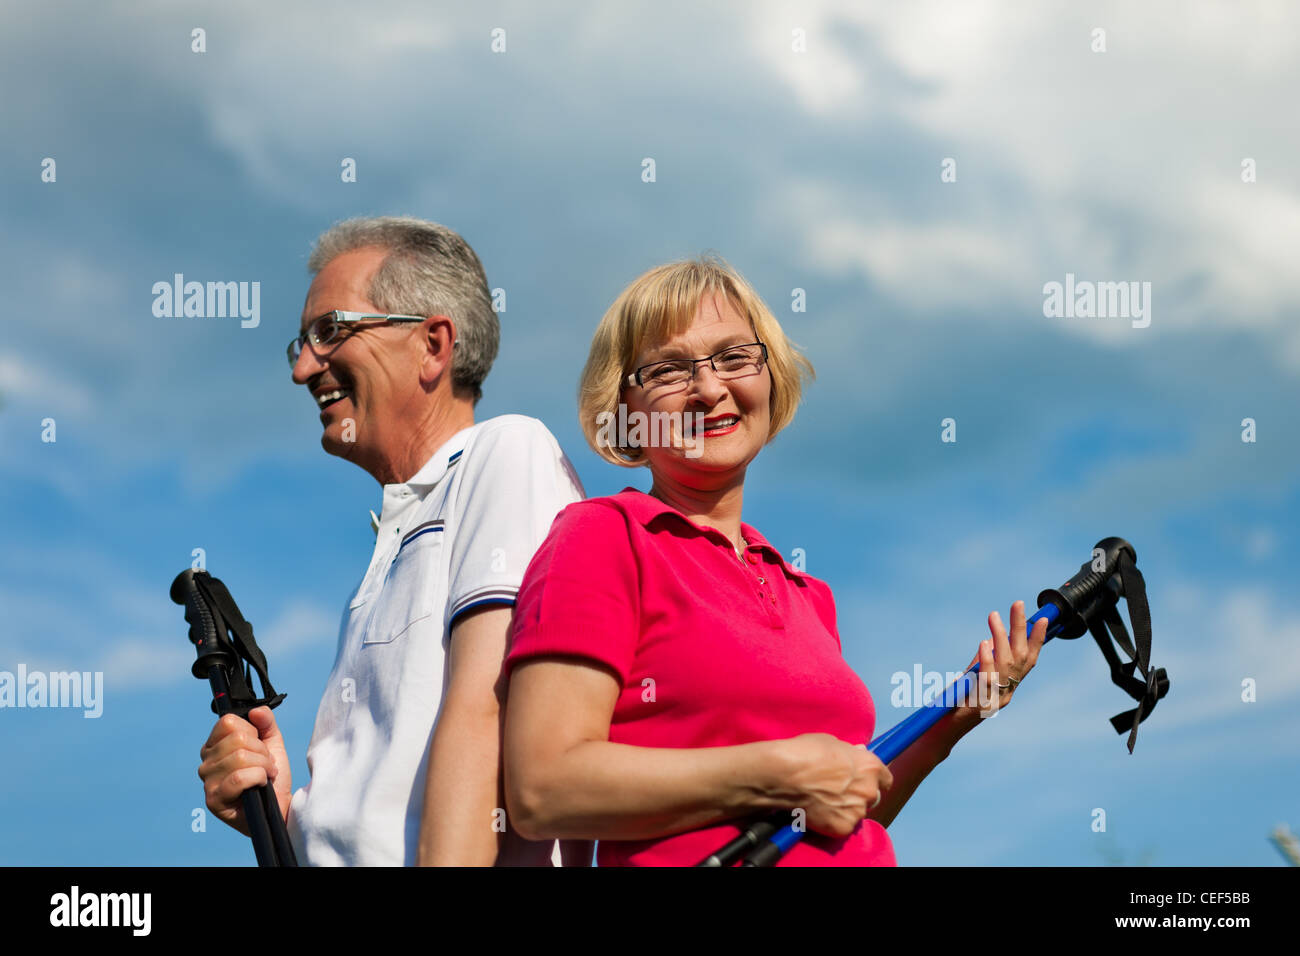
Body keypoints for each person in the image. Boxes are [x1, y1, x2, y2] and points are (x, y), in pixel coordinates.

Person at [502, 255, 1047, 865]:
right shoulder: (602, 537)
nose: (710, 389)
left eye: (735, 358)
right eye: (668, 370)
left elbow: (832, 813)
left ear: (769, 374)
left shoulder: (809, 594)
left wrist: (956, 720)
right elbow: (543, 788)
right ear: (625, 406)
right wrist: (779, 771)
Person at [197, 216, 585, 865]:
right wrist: (286, 814)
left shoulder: (503, 452)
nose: (302, 368)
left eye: (328, 332)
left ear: (433, 343)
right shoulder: (389, 549)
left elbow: (486, 719)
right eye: (300, 341)